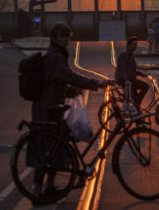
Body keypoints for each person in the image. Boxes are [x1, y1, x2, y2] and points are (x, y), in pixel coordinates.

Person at [30, 23, 106, 198]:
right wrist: (95, 84)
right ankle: (37, 188)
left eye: (67, 36)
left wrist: (71, 91)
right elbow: (67, 76)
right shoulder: (55, 57)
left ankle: (49, 186)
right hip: (47, 109)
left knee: (57, 145)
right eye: (62, 36)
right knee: (47, 149)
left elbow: (58, 81)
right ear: (54, 38)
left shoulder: (57, 55)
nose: (66, 39)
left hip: (52, 107)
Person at [115, 36, 149, 110]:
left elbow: (131, 70)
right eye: (134, 44)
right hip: (125, 80)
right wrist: (126, 80)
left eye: (136, 44)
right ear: (129, 44)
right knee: (146, 86)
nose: (135, 46)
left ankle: (137, 109)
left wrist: (141, 74)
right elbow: (122, 69)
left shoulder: (131, 55)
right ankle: (136, 106)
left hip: (130, 79)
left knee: (136, 98)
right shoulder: (125, 55)